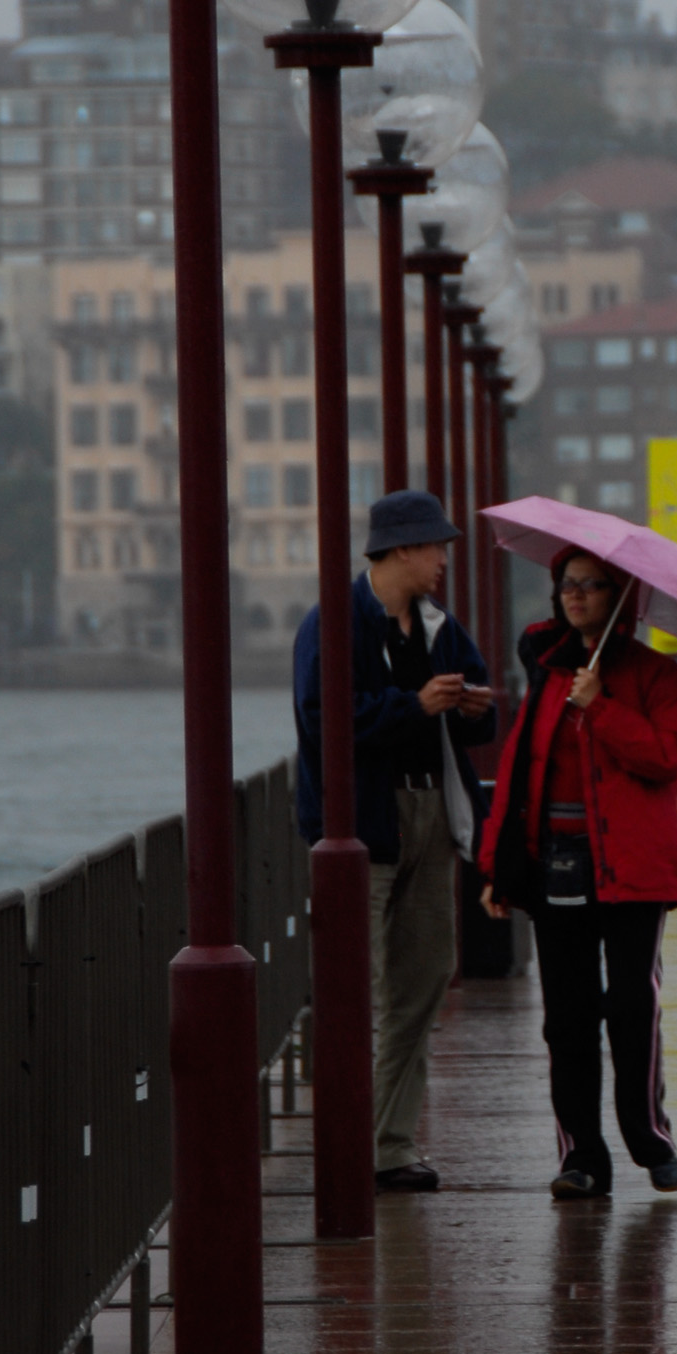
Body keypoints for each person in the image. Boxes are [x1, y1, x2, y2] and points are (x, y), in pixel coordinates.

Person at [479, 548, 677, 1202]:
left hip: (633, 872)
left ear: (618, 596)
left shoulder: (657, 678)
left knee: (632, 1006)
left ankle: (649, 1138)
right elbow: (518, 774)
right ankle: (580, 1155)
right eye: (566, 585)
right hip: (558, 867)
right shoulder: (548, 675)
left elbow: (668, 758)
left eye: (591, 585)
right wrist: (497, 867)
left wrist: (601, 707)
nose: (575, 596)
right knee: (566, 1015)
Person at [294, 489, 495, 1194]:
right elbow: (325, 722)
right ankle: (347, 1141)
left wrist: (471, 707)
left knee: (424, 974)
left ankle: (390, 1143)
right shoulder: (333, 623)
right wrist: (415, 705)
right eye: (436, 547)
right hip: (359, 826)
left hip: (431, 813)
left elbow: (476, 716)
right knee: (356, 985)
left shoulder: (440, 627)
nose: (443, 560)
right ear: (402, 549)